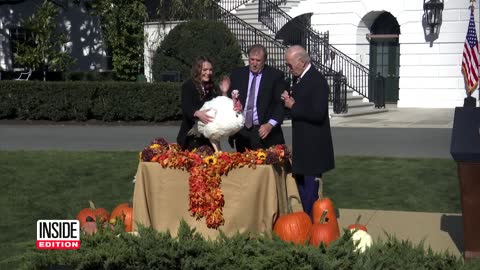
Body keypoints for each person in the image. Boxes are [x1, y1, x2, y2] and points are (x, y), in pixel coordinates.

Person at [281, 45, 335, 221]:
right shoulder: (301, 79)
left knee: (311, 193)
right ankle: (308, 222)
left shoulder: (317, 80)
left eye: (290, 65)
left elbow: (318, 114)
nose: (289, 69)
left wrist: (293, 106)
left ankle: (314, 226)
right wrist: (290, 101)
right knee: (302, 189)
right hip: (303, 146)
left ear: (302, 62)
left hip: (313, 148)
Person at [227, 44, 286, 152]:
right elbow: (229, 99)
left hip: (264, 130)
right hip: (242, 131)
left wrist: (270, 124)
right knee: (244, 167)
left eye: (258, 60)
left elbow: (280, 104)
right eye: (252, 59)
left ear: (264, 61)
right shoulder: (237, 74)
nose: (254, 63)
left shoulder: (275, 76)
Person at [177, 56, 227, 151]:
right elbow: (186, 106)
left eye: (210, 70)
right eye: (205, 70)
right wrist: (197, 113)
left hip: (209, 138)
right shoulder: (188, 86)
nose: (208, 73)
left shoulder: (213, 87)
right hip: (191, 137)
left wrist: (225, 93)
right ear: (197, 70)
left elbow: (219, 105)